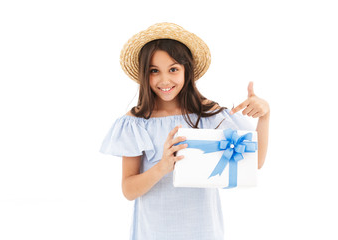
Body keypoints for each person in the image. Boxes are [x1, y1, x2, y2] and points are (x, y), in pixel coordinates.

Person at [100, 22, 270, 240]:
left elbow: (254, 163)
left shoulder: (208, 115)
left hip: (204, 231)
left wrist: (264, 117)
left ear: (186, 71)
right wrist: (162, 167)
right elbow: (129, 190)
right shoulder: (136, 122)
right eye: (154, 71)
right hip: (153, 233)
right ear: (145, 75)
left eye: (173, 69)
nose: (164, 80)